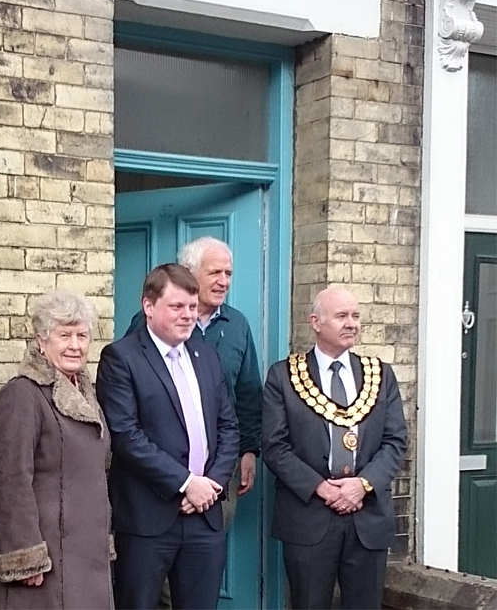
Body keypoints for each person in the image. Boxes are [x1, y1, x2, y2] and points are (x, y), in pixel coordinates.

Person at [98, 264, 239, 610]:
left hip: (204, 516)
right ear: (149, 306)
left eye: (192, 307)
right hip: (147, 519)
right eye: (177, 307)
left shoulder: (206, 356)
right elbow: (126, 435)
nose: (188, 315)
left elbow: (229, 428)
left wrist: (211, 485)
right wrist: (185, 482)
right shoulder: (121, 358)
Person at [262, 287, 407, 610]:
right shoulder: (285, 376)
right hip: (309, 516)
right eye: (342, 316)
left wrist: (361, 485)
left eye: (355, 316)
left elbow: (395, 440)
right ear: (315, 322)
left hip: (367, 515)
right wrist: (323, 489)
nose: (351, 323)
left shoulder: (379, 375)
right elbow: (274, 447)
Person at [0, 290, 113, 609]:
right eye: (64, 335)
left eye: (82, 335)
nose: (75, 344)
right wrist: (25, 554)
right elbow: (11, 480)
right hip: (48, 558)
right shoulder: (22, 396)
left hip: (86, 555)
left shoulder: (86, 394)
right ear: (41, 342)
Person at [126, 237, 262, 513]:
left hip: (218, 473)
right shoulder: (147, 322)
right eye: (215, 272)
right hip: (158, 476)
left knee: (210, 550)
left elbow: (248, 394)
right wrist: (182, 482)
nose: (224, 281)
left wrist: (249, 450)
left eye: (228, 274)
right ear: (189, 272)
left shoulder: (237, 325)